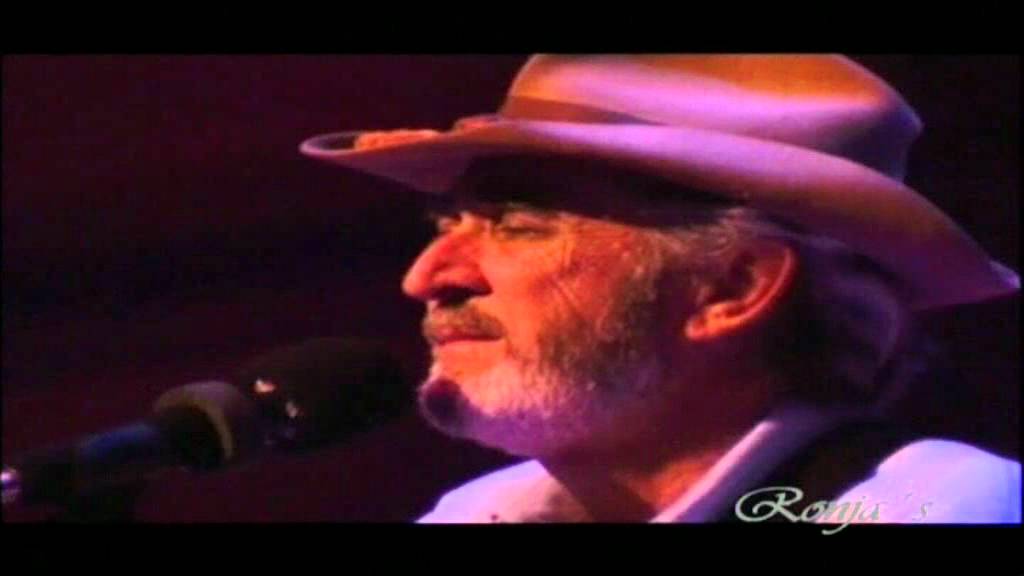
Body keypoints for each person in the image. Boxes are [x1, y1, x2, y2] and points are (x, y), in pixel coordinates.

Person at [300, 55, 1020, 524]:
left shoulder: (945, 508)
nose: (426, 277)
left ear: (732, 287)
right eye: (449, 225)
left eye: (518, 226)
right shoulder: (471, 515)